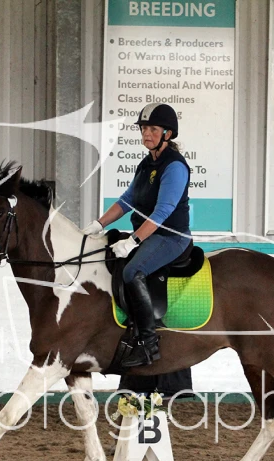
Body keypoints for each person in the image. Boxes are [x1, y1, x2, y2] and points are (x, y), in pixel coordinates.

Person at [81, 103, 192, 369]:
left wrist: (133, 241)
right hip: (150, 234)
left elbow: (162, 211)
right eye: (143, 129)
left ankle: (148, 343)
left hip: (171, 237)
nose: (146, 134)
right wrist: (97, 225)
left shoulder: (175, 167)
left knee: (133, 272)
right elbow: (127, 200)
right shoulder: (146, 163)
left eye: (152, 129)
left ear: (167, 134)